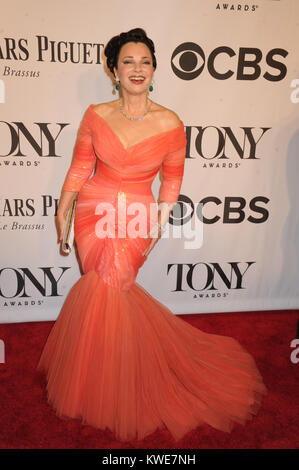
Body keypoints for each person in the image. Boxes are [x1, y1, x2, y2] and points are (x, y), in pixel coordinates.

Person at [37, 28, 267, 442]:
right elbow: (78, 169)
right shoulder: (95, 115)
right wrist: (63, 211)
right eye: (128, 61)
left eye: (145, 61)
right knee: (103, 292)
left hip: (139, 215)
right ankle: (102, 379)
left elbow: (172, 183)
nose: (137, 69)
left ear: (155, 68)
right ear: (113, 69)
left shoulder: (170, 122)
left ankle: (116, 384)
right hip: (95, 210)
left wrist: (157, 226)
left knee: (113, 285)